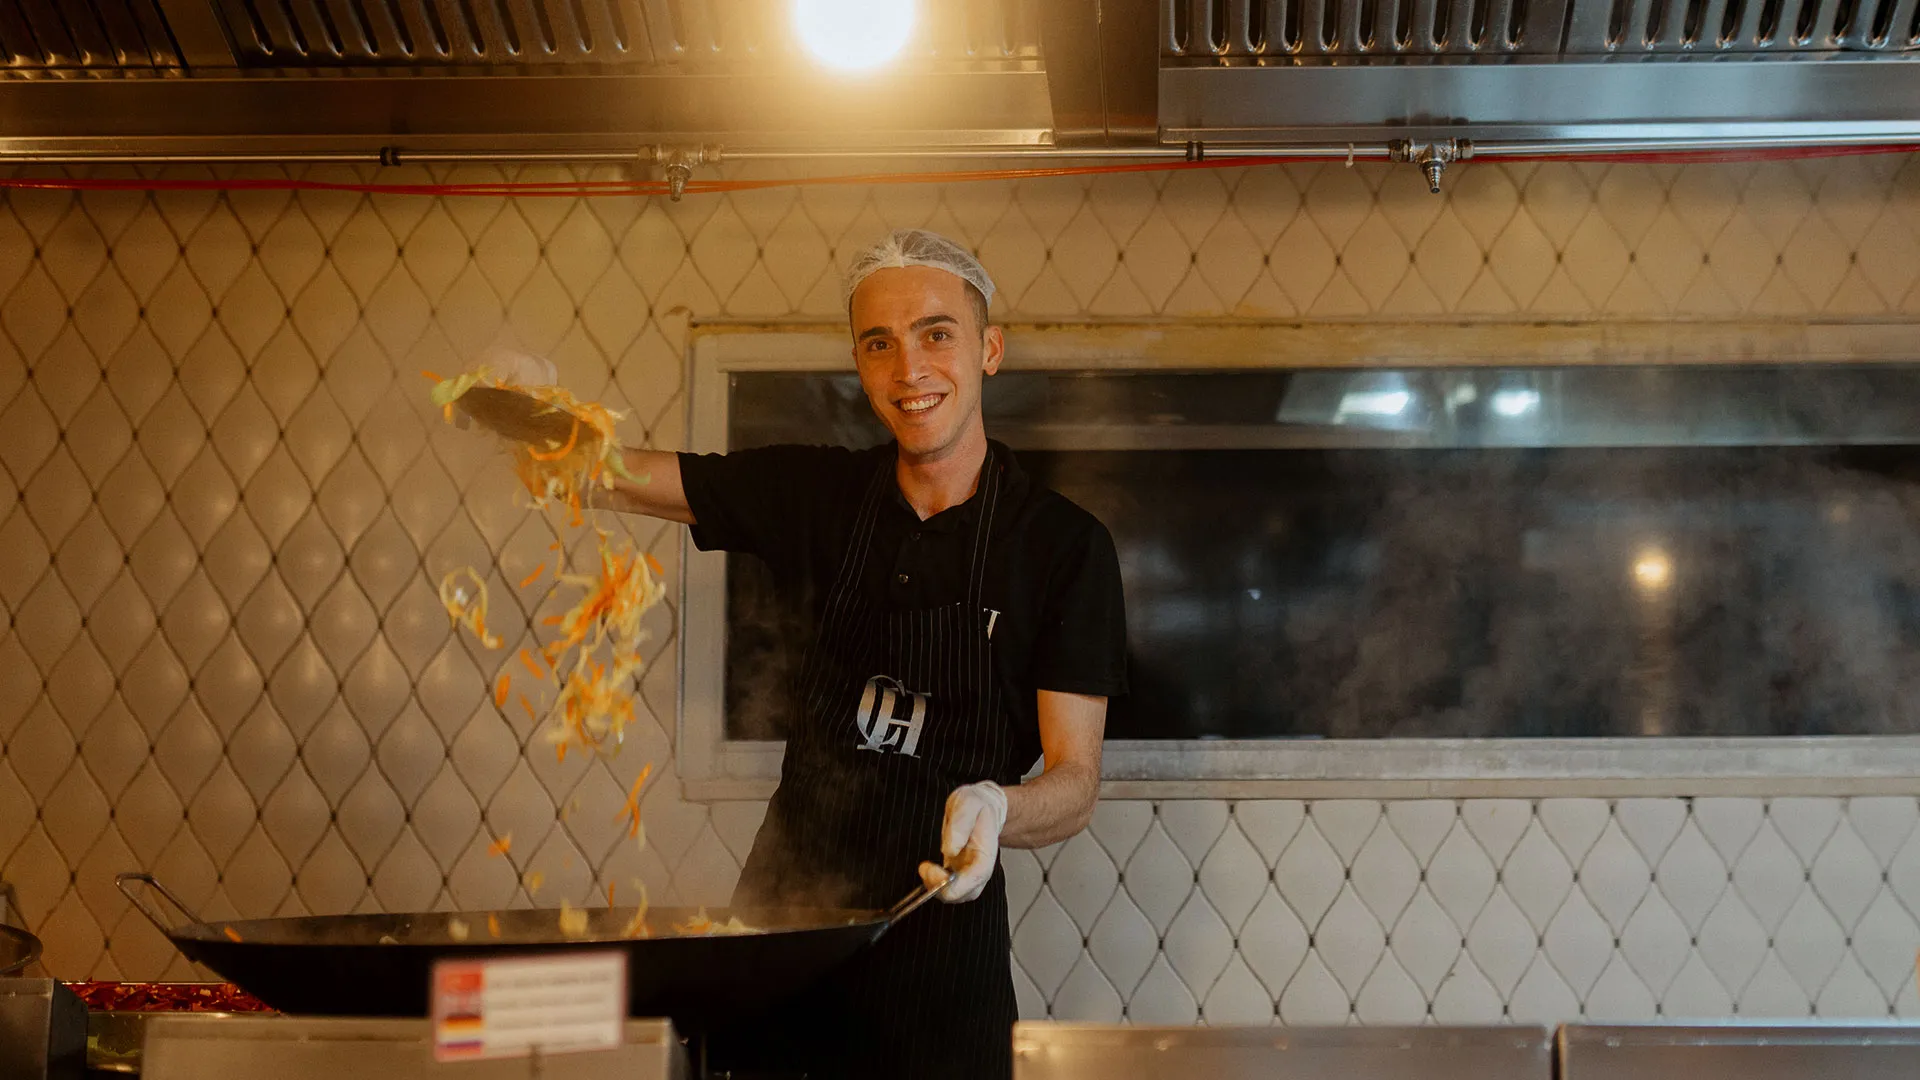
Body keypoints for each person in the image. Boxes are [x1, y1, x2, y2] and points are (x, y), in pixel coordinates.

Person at [493, 229, 1127, 1078]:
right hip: (780, 945)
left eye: (937, 333)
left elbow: (1075, 782)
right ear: (859, 363)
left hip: (941, 965)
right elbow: (611, 474)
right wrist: (528, 416)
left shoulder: (1063, 548)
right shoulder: (817, 494)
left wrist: (999, 807)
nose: (909, 368)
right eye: (879, 343)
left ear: (990, 349)